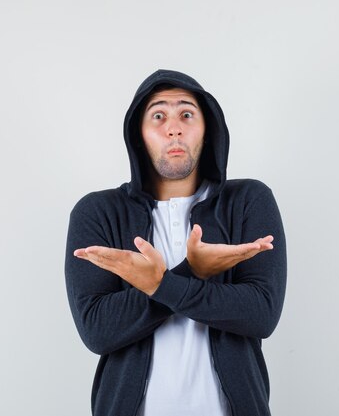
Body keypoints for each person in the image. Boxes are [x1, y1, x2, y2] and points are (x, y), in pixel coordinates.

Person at [65, 69, 286, 416]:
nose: (174, 127)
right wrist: (193, 272)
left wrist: (160, 284)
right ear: (138, 134)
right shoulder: (98, 211)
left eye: (186, 114)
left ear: (207, 129)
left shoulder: (248, 201)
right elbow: (98, 330)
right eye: (158, 115)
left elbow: (260, 314)